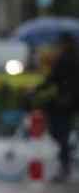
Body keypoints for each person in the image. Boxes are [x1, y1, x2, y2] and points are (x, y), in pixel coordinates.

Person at [32, 31, 79, 182]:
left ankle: (65, 163)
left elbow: (52, 78)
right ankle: (67, 151)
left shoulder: (64, 59)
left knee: (58, 130)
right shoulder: (74, 57)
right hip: (71, 100)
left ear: (65, 43)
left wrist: (35, 89)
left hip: (66, 101)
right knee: (63, 129)